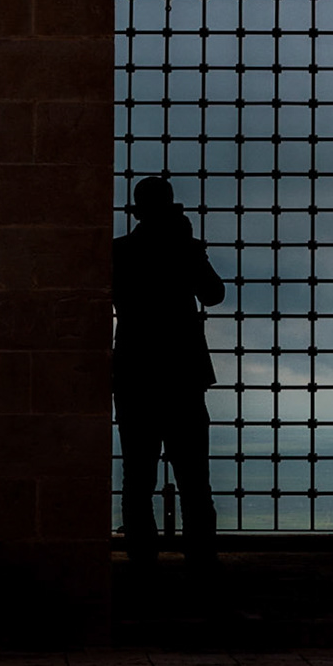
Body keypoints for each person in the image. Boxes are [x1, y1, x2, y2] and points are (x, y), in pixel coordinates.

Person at [112, 175, 226, 566]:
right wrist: (191, 247)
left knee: (137, 480)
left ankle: (142, 563)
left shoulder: (119, 252)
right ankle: (201, 562)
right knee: (195, 480)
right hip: (183, 376)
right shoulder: (183, 250)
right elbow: (213, 294)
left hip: (135, 375)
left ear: (137, 212)